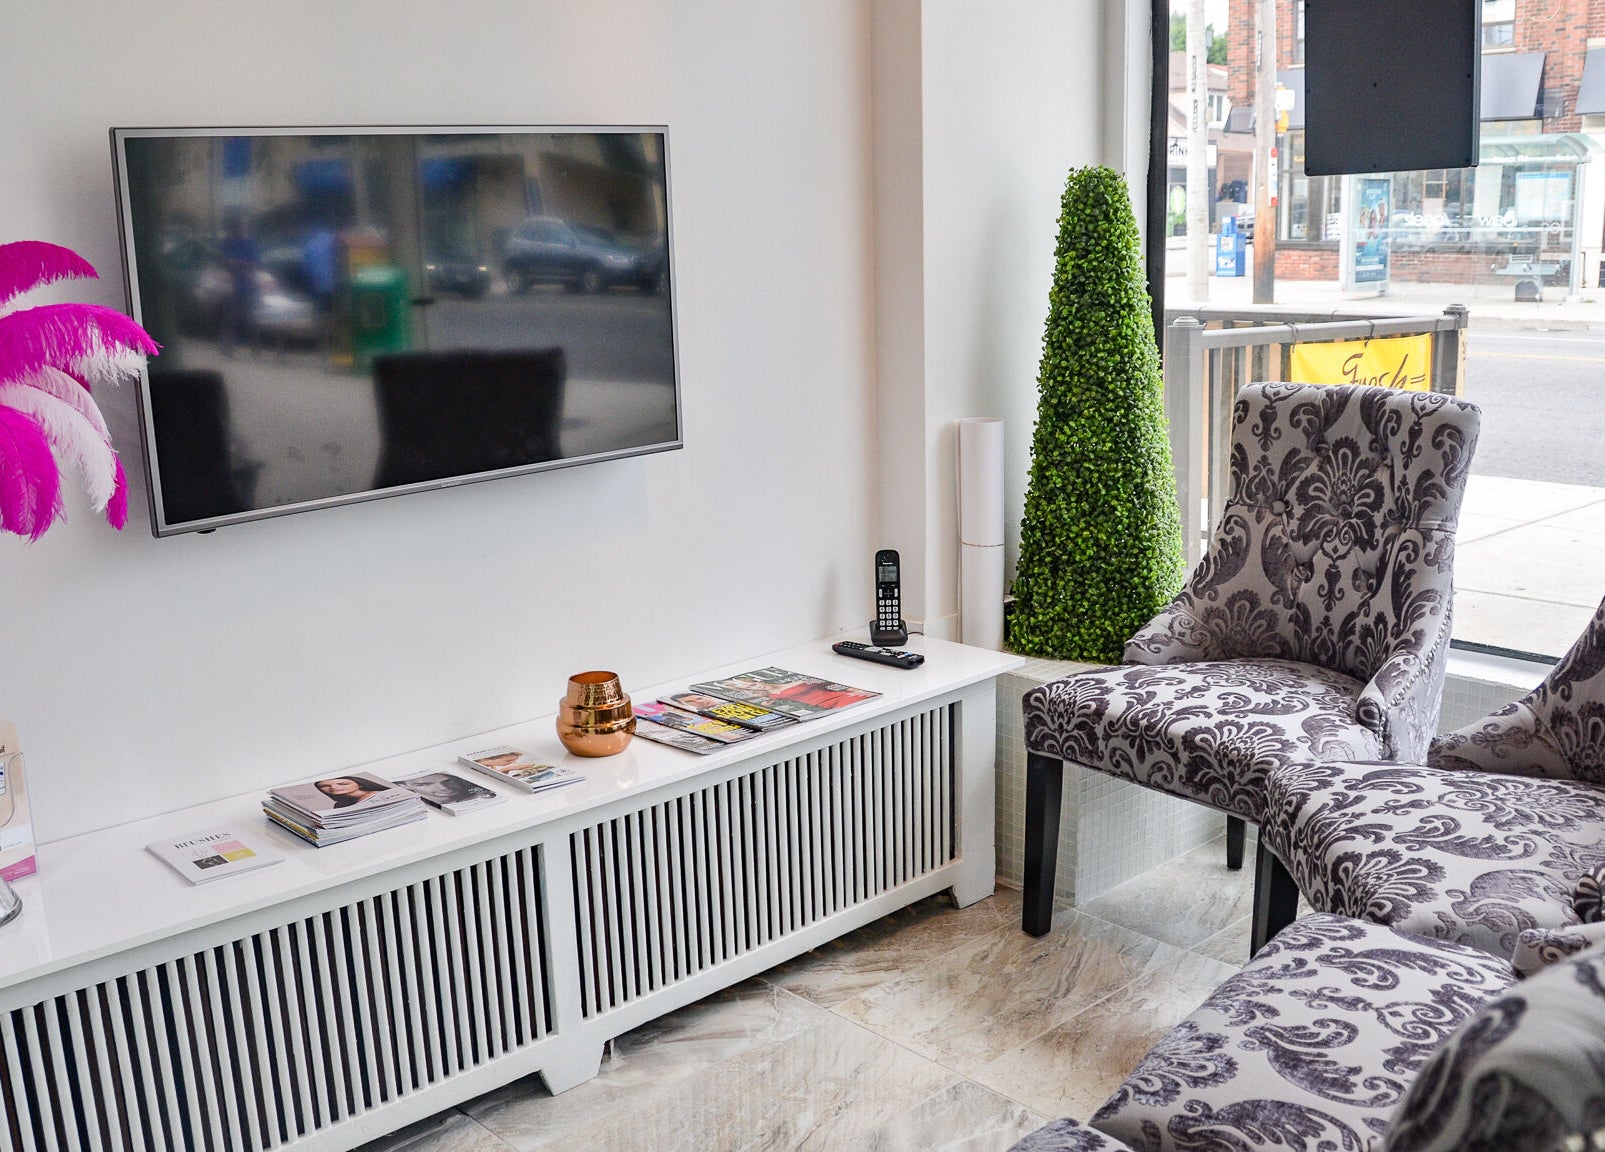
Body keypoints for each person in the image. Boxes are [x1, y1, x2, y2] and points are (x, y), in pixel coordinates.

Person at [314, 775, 390, 808]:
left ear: (360, 784)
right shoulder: (340, 804)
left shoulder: (375, 795)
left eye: (343, 784)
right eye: (324, 786)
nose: (333, 787)